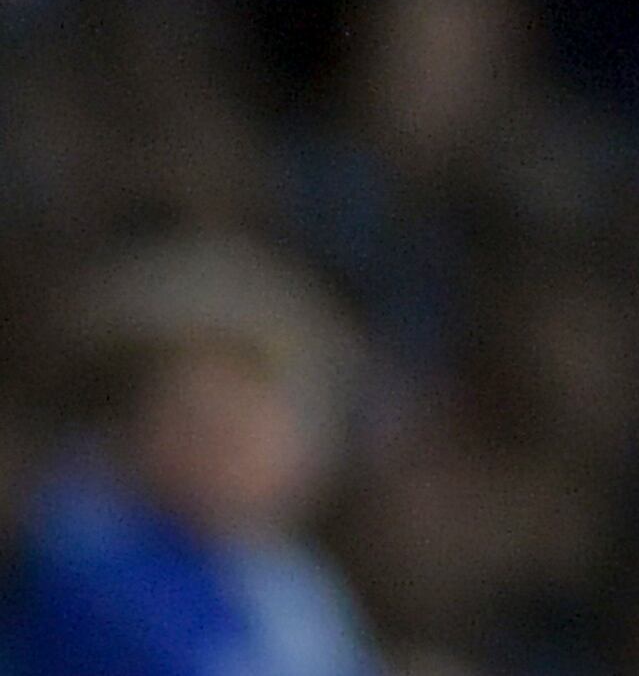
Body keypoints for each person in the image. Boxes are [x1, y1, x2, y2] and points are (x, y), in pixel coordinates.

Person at [0, 236, 381, 676]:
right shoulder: (84, 564)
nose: (234, 448)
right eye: (203, 422)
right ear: (126, 427)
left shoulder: (276, 569)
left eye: (255, 422)